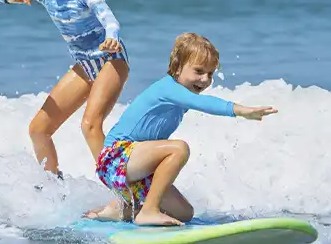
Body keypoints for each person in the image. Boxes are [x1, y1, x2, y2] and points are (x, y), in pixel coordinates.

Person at [84, 32, 278, 226]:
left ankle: (119, 210)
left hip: (136, 165)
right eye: (199, 71)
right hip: (115, 158)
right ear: (177, 68)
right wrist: (241, 110)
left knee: (184, 213)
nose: (204, 79)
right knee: (178, 148)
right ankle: (148, 211)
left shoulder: (181, 95)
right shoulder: (168, 88)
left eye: (210, 74)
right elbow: (202, 102)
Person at [0, 0, 129, 178]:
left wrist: (112, 38)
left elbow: (110, 19)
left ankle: (126, 191)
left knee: (90, 126)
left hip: (110, 60)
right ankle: (53, 189)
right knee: (38, 129)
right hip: (85, 67)